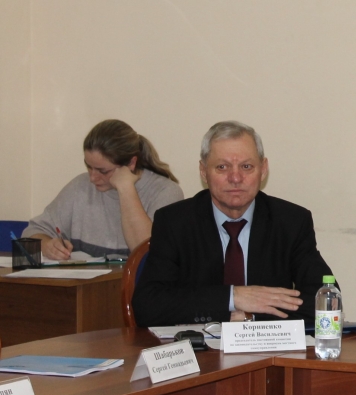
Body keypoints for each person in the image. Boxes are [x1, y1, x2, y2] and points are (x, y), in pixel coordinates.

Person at [133, 120, 335, 327]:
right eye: (222, 167)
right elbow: (148, 305)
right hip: (199, 346)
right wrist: (232, 297)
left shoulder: (291, 222)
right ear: (203, 171)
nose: (236, 178)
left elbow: (327, 301)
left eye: (246, 167)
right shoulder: (174, 222)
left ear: (263, 169)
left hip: (265, 345)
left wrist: (250, 317)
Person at [23, 119, 183, 259]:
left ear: (131, 163)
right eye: (88, 166)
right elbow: (32, 232)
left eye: (103, 171)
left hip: (136, 285)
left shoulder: (165, 192)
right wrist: (47, 245)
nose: (92, 178)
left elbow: (147, 254)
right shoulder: (80, 187)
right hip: (87, 284)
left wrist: (126, 189)